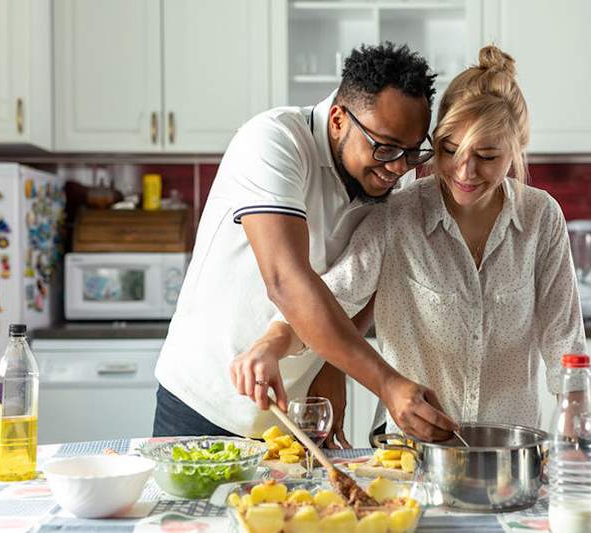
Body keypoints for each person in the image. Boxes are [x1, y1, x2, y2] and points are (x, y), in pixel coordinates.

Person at [233, 44, 586, 436]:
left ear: (516, 152)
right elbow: (336, 295)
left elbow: (564, 341)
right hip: (411, 446)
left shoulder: (541, 216)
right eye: (449, 150)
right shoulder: (398, 213)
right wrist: (272, 343)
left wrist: (579, 434)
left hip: (509, 446)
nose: (464, 172)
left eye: (486, 156)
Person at [153, 42, 458, 444]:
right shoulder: (272, 142)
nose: (398, 168)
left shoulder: (385, 172)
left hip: (292, 415)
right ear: (337, 120)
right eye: (384, 147)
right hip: (203, 400)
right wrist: (386, 383)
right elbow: (287, 281)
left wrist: (330, 369)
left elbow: (361, 281)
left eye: (411, 151)